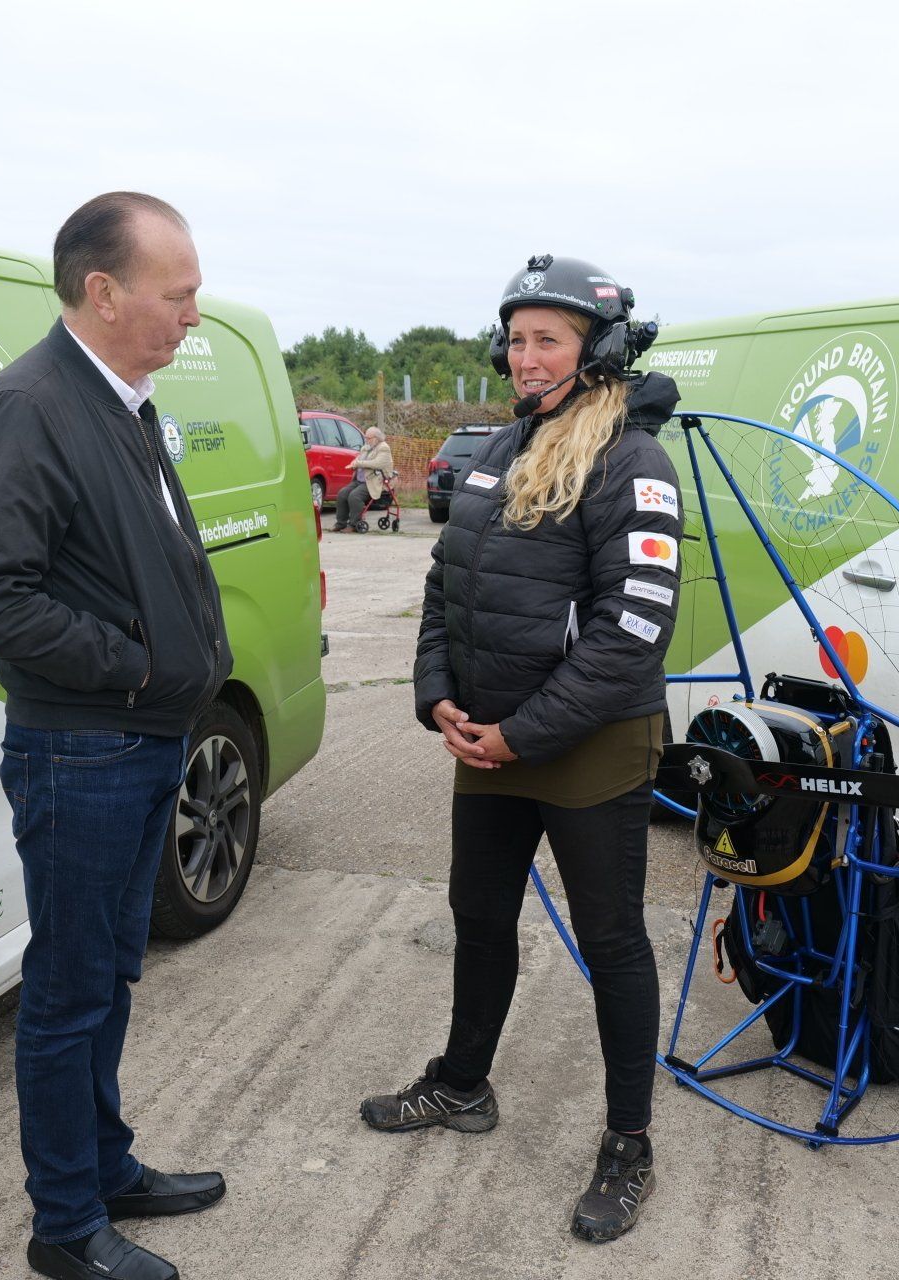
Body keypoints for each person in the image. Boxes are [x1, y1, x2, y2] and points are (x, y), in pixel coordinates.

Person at [361, 254, 682, 1243]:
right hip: (487, 740)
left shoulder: (632, 460)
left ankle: (630, 1141)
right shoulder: (503, 446)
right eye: (516, 336)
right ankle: (463, 1083)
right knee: (478, 915)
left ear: (598, 349)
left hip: (587, 746)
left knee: (613, 939)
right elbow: (443, 584)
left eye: (547, 337)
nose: (524, 355)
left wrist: (522, 730)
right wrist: (438, 699)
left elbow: (634, 634)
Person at [0, 192, 232, 1280]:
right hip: (85, 750)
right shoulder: (30, 404)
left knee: (110, 975)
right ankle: (65, 1224)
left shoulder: (125, 398)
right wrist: (143, 666)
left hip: (140, 744)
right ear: (103, 291)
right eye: (179, 293)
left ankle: (107, 1164)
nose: (192, 315)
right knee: (69, 993)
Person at [333, 426, 397, 532]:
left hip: (373, 481)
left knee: (355, 496)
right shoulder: (366, 448)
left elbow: (377, 463)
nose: (366, 440)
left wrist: (359, 464)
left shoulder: (384, 448)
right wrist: (353, 464)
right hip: (359, 480)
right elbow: (357, 460)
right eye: (365, 437)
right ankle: (341, 523)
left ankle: (353, 524)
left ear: (376, 438)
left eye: (368, 438)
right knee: (342, 494)